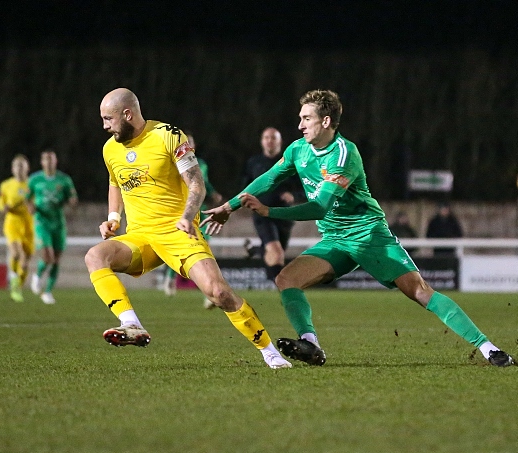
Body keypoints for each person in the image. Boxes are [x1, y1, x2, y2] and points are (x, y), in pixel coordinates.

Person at [203, 89, 514, 367]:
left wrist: (270, 210)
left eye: (306, 118)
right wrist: (228, 206)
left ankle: (488, 348)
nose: (299, 125)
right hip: (335, 239)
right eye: (300, 118)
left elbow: (319, 207)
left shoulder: (344, 154)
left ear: (326, 121)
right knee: (287, 279)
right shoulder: (298, 149)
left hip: (368, 235)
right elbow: (269, 178)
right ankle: (311, 344)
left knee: (419, 291)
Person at [84, 87, 290, 369]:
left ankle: (270, 352)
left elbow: (196, 183)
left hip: (178, 233)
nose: (105, 126)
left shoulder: (168, 135)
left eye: (108, 119)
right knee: (95, 256)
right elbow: (115, 182)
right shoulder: (110, 149)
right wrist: (113, 218)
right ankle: (131, 325)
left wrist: (187, 215)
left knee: (219, 293)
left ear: (127, 114)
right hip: (140, 236)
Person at [161, 132, 223, 310]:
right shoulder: (172, 163)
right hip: (180, 211)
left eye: (191, 142)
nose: (188, 145)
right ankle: (171, 279)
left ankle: (210, 292)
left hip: (199, 211)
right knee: (183, 249)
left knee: (204, 248)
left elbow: (204, 183)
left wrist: (213, 193)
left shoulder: (201, 164)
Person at [242, 127, 302, 282]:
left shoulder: (291, 163)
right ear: (262, 141)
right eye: (266, 137)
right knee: (276, 254)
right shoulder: (254, 163)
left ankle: (255, 250)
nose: (270, 141)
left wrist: (294, 195)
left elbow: (307, 188)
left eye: (273, 138)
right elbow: (245, 186)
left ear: (280, 142)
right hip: (262, 214)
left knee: (277, 253)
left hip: (284, 216)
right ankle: (282, 289)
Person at [27, 150, 78, 304]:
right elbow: (28, 198)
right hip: (42, 222)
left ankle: (48, 292)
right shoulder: (35, 179)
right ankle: (37, 276)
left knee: (56, 260)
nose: (49, 162)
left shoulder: (64, 179)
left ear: (55, 161)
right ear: (42, 162)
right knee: (47, 256)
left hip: (58, 223)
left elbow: (72, 196)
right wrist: (30, 207)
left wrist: (72, 201)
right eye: (46, 160)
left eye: (51, 159)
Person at [0, 154, 34, 303]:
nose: (19, 169)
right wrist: (3, 207)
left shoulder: (32, 184)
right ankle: (13, 281)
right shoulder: (6, 185)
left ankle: (18, 286)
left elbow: (35, 203)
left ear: (27, 168)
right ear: (12, 169)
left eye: (22, 166)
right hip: (12, 223)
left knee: (25, 261)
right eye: (17, 166)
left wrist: (33, 207)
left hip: (28, 224)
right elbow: (1, 203)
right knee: (16, 253)